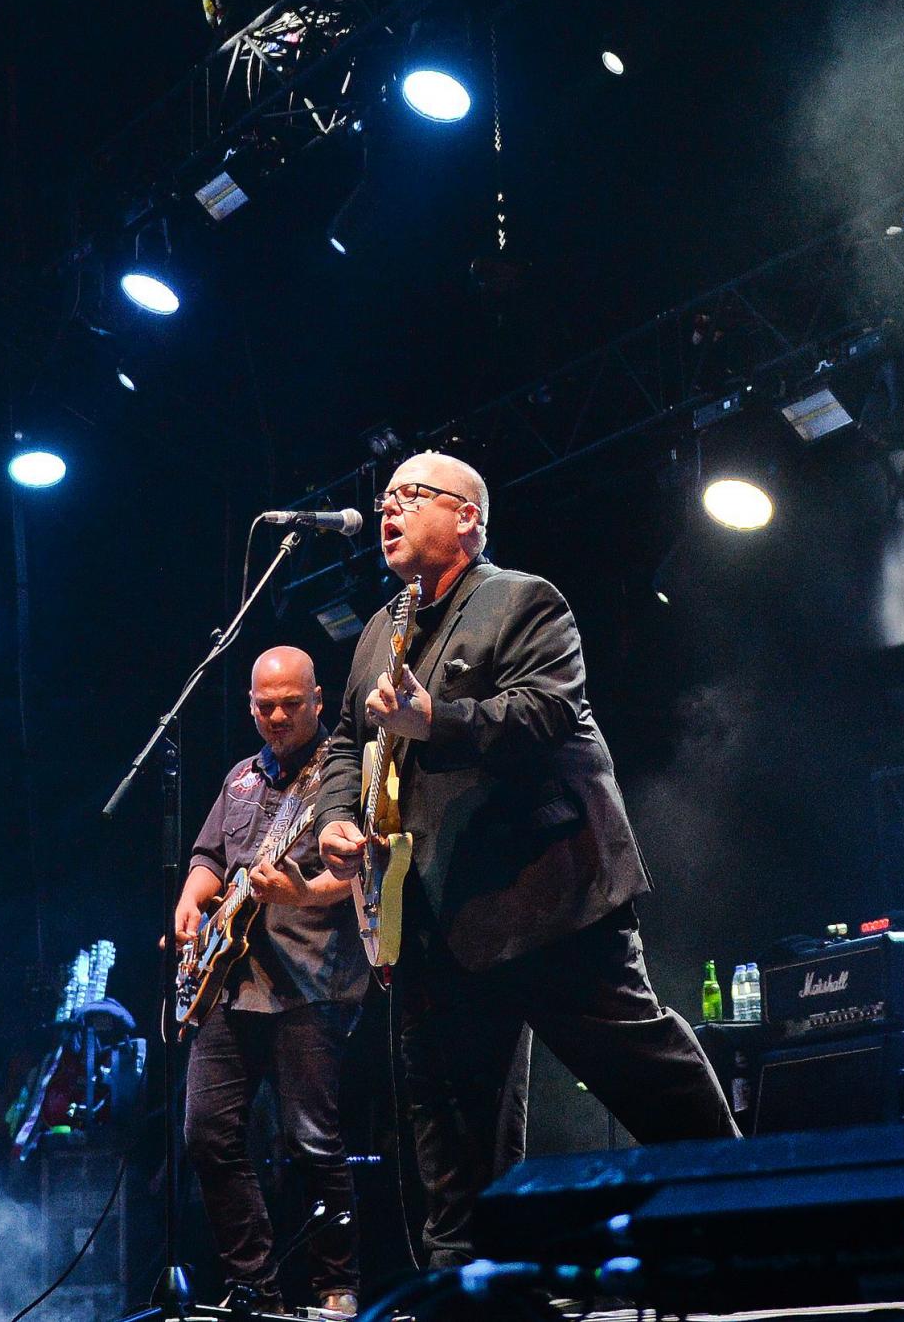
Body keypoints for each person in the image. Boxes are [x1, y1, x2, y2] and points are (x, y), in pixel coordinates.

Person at [314, 452, 733, 1265]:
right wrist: (335, 818)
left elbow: (547, 711)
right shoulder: (379, 628)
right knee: (449, 1126)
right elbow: (344, 740)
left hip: (548, 893)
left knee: (643, 1068)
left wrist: (438, 718)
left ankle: (748, 1210)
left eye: (412, 496)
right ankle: (467, 1289)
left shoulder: (524, 599)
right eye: (385, 497)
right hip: (436, 913)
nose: (389, 510)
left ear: (467, 517)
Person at [174, 646, 368, 1318]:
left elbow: (363, 874)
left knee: (311, 1142)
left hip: (312, 981)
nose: (278, 715)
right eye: (265, 705)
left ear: (319, 699)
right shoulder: (238, 779)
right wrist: (191, 899)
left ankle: (336, 1286)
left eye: (292, 702)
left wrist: (301, 891)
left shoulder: (341, 775)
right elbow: (208, 855)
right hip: (229, 982)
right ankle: (255, 1284)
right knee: (206, 1134)